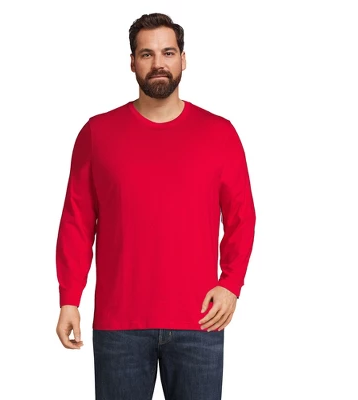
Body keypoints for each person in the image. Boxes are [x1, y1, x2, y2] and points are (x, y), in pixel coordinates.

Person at [55, 12, 256, 400]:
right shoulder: (98, 133)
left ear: (184, 59)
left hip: (200, 320)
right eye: (147, 54)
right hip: (119, 325)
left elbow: (241, 217)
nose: (158, 63)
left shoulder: (219, 134)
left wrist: (231, 284)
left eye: (168, 52)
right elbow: (76, 222)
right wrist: (69, 298)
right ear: (132, 62)